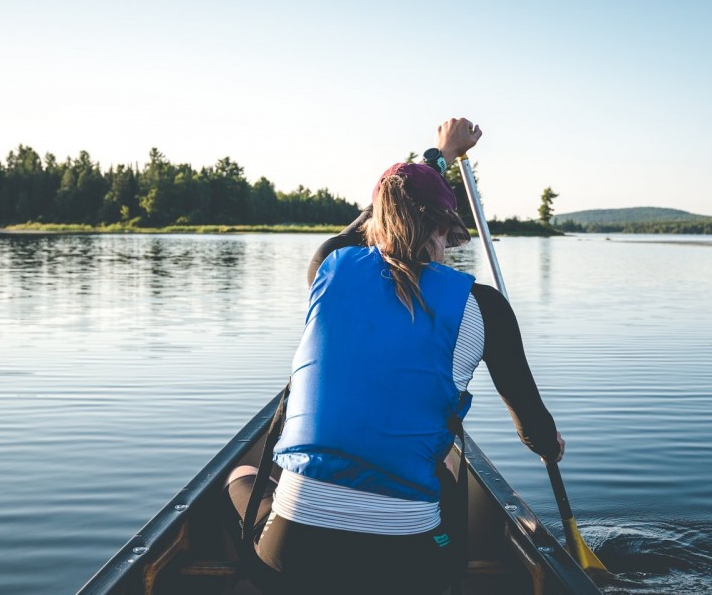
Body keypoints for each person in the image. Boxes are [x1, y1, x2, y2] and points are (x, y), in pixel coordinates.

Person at [227, 118, 565, 595]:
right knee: (448, 461)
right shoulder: (485, 307)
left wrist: (438, 156)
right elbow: (533, 429)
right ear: (444, 230)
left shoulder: (328, 266)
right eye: (449, 235)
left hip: (293, 558)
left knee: (241, 475)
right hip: (410, 567)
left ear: (376, 220)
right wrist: (549, 444)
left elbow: (375, 213)